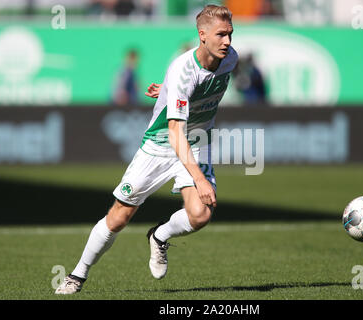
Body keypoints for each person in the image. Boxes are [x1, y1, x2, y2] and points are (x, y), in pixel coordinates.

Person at [55, 4, 238, 294]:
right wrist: (200, 179)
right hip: (162, 143)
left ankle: (160, 235)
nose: (227, 41)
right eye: (220, 35)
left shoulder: (230, 59)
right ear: (202, 35)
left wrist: (166, 90)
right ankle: (77, 274)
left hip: (197, 141)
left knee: (201, 214)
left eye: (230, 34)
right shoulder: (182, 69)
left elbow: (196, 90)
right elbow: (175, 132)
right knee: (119, 216)